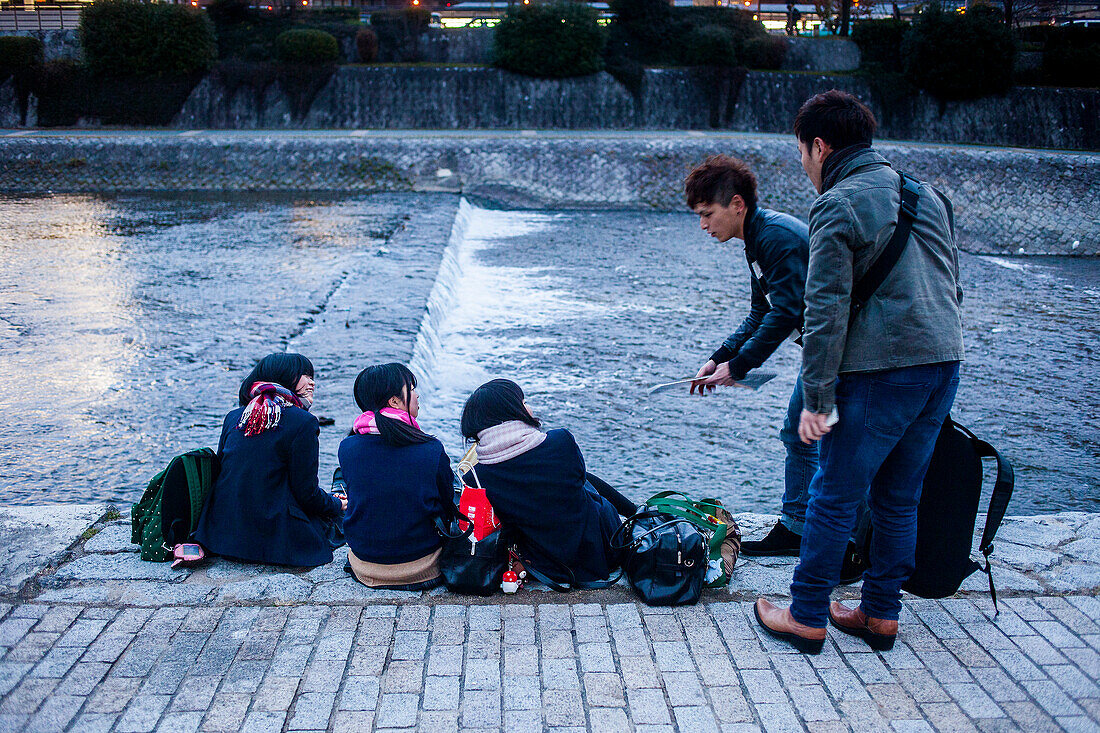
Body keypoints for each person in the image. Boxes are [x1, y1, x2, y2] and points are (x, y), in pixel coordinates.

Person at [754, 90, 962, 653]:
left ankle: (806, 615)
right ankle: (880, 614)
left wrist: (818, 398)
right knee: (898, 497)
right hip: (943, 365)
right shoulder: (925, 194)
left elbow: (822, 313)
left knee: (832, 494)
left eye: (801, 152)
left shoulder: (838, 204)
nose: (802, 165)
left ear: (819, 146)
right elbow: (952, 285)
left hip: (878, 373)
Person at [685, 154, 818, 558]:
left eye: (708, 213)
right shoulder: (757, 238)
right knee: (804, 435)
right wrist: (719, 357)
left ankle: (818, 533)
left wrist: (738, 367)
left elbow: (786, 312)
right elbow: (761, 311)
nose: (703, 225)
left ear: (737, 205)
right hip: (824, 352)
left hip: (842, 355)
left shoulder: (775, 237)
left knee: (812, 437)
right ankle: (801, 527)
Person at [459, 379, 636, 586]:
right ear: (510, 411)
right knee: (583, 482)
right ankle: (636, 512)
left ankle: (634, 511)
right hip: (602, 553)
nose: (528, 406)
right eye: (523, 401)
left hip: (543, 566)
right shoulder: (562, 442)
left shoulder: (476, 478)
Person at [194, 352, 345, 568]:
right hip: (272, 539)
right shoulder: (303, 423)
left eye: (312, 376)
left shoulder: (234, 416)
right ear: (283, 377)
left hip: (223, 534)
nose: (312, 382)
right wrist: (336, 503)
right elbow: (307, 494)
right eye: (304, 375)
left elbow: (223, 474)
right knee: (341, 515)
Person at [338, 363, 455, 591]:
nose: (418, 394)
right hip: (421, 565)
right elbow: (447, 505)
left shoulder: (347, 447)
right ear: (394, 401)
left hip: (365, 563)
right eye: (411, 388)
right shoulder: (430, 449)